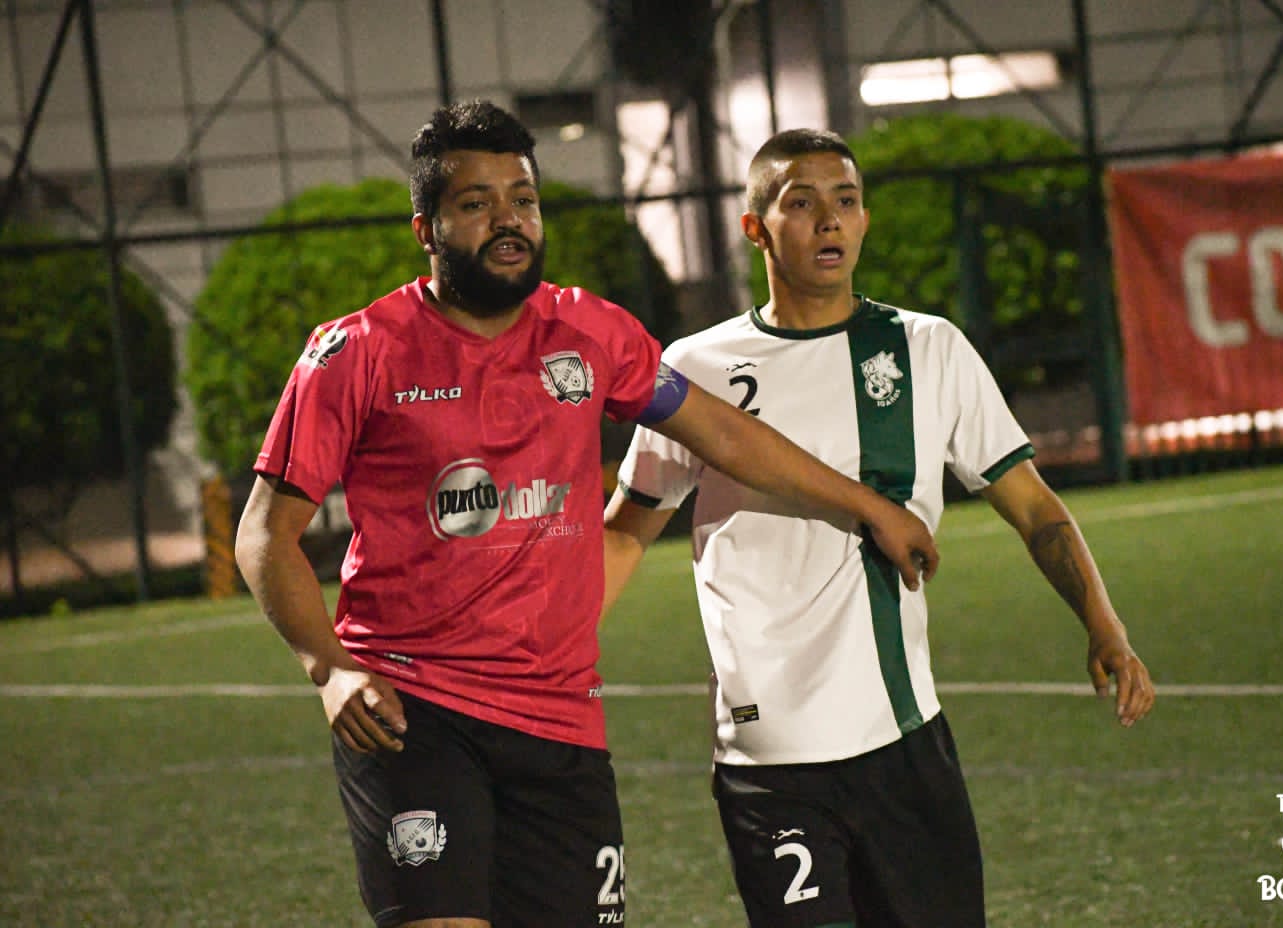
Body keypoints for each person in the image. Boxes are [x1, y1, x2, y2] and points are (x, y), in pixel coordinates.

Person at [234, 103, 938, 928]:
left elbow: (724, 435)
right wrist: (331, 668)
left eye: (523, 200)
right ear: (425, 228)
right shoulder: (357, 353)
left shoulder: (591, 333)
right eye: (476, 203)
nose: (508, 220)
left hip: (561, 717)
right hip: (414, 709)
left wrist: (866, 509)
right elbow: (264, 533)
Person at [603, 128, 1157, 928]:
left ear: (864, 221)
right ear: (756, 228)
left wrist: (1104, 623)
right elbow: (628, 529)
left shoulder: (928, 349)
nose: (829, 220)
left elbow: (1036, 509)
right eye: (802, 203)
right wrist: (548, 649)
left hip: (903, 747)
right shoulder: (695, 370)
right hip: (770, 767)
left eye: (847, 200)